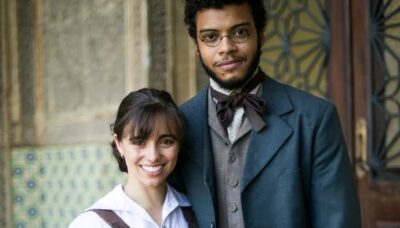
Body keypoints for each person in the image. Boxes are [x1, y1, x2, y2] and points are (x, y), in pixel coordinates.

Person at [170, 0, 362, 227]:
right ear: (196, 45)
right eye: (210, 37)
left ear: (261, 35)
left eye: (240, 32)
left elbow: (338, 221)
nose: (226, 48)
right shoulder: (179, 123)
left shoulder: (314, 119)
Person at [69, 88, 197, 227]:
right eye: (139, 142)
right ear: (119, 143)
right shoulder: (92, 223)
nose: (153, 156)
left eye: (166, 141)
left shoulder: (194, 211)